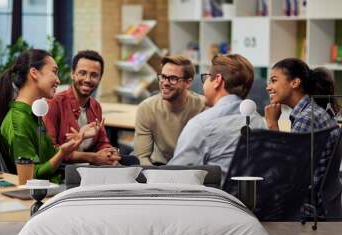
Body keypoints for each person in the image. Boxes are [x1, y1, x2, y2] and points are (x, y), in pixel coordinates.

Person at [168, 54, 266, 182]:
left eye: (207, 78)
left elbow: (173, 176)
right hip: (252, 199)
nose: (204, 84)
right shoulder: (259, 122)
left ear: (217, 80)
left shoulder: (201, 125)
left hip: (214, 200)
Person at [0, 49, 87, 183]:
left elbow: (48, 155)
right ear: (34, 73)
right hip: (48, 194)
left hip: (56, 186)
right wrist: (62, 153)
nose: (58, 80)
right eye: (54, 72)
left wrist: (67, 149)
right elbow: (30, 179)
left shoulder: (31, 114)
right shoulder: (19, 121)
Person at [264, 58, 338, 212]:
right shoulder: (312, 112)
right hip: (321, 204)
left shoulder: (307, 119)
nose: (268, 87)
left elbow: (286, 174)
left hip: (308, 209)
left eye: (274, 80)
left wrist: (272, 125)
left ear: (295, 83)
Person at [43, 50, 121, 165]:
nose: (88, 79)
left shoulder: (95, 106)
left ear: (100, 78)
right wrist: (92, 157)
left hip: (90, 168)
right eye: (82, 73)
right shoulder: (53, 103)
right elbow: (50, 151)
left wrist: (109, 154)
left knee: (131, 160)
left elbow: (102, 142)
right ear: (72, 74)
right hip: (63, 170)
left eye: (94, 75)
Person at [134, 55, 205, 165]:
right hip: (159, 167)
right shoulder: (147, 108)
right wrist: (157, 178)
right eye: (163, 77)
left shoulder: (203, 107)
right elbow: (142, 157)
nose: (165, 83)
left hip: (192, 168)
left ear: (188, 83)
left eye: (173, 78)